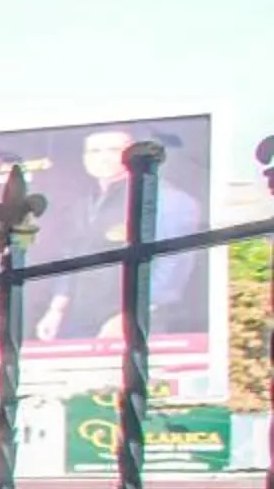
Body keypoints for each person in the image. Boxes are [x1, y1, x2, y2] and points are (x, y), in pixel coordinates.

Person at [28, 127, 203, 342]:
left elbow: (172, 265)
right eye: (94, 151)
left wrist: (130, 316)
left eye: (113, 149)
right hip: (82, 324)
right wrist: (56, 309)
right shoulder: (84, 206)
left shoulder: (164, 199)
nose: (103, 158)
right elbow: (71, 259)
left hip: (138, 325)